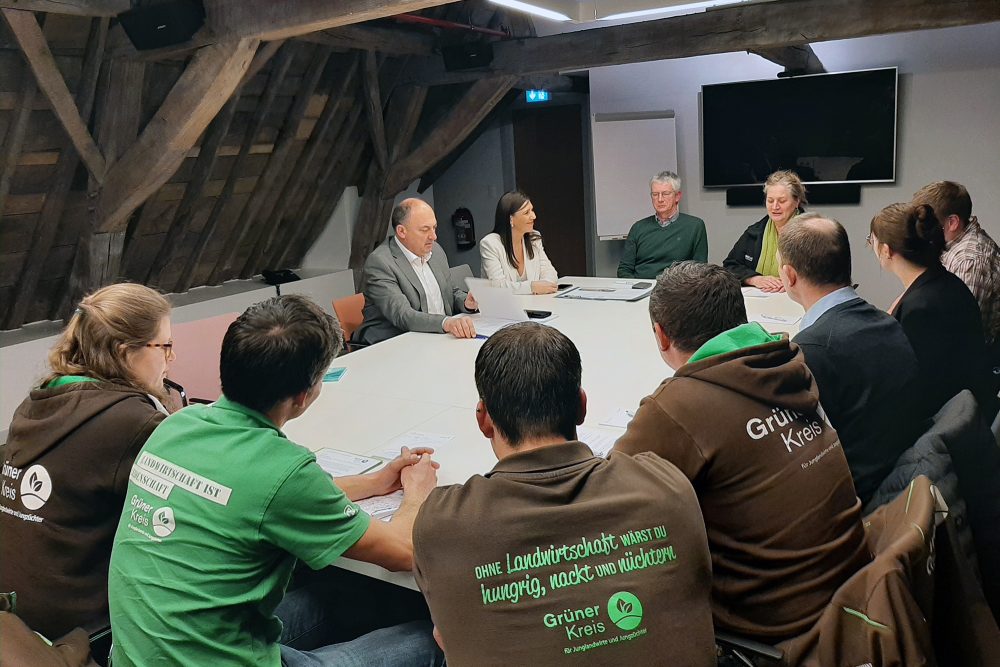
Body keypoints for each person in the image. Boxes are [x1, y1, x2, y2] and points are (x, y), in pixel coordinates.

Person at [108, 295, 443, 667]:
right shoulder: (284, 470)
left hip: (139, 655)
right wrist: (417, 494)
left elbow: (256, 496)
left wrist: (376, 482)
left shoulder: (176, 426)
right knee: (432, 639)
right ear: (304, 395)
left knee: (337, 595)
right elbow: (404, 553)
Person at [412, 322, 715, 666]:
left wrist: (414, 494)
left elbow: (447, 634)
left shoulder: (444, 523)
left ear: (484, 419)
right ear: (581, 406)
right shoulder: (665, 486)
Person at [612, 262, 868, 643]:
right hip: (853, 586)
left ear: (661, 336)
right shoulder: (787, 362)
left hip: (776, 626)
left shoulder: (678, 405)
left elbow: (609, 499)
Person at [0, 283, 173, 640]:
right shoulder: (133, 422)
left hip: (20, 619)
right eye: (165, 346)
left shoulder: (37, 402)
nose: (171, 359)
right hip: (85, 631)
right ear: (125, 352)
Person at [777, 213, 922, 505]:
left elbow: (791, 453)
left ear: (789, 276)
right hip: (898, 482)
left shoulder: (812, 349)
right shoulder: (886, 321)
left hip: (848, 502)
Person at [869, 202, 997, 418]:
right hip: (967, 412)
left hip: (947, 427)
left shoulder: (921, 308)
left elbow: (920, 389)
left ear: (885, 250)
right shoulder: (946, 282)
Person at [354, 198, 478, 345]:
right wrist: (446, 323)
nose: (433, 236)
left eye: (434, 228)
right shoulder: (380, 263)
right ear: (401, 231)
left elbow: (450, 291)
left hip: (437, 338)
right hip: (393, 343)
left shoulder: (436, 251)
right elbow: (403, 315)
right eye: (425, 230)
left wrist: (466, 302)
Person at [911, 180, 1000, 376]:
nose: (920, 231)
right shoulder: (952, 246)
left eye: (927, 224)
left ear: (952, 222)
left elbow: (958, 332)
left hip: (968, 373)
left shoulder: (969, 260)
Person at [723, 169, 806, 292]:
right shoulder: (754, 232)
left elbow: (824, 274)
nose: (775, 207)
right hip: (761, 300)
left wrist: (793, 284)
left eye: (782, 201)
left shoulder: (812, 232)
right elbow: (730, 266)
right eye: (770, 201)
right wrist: (754, 279)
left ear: (796, 202)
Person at [617, 171, 708, 278]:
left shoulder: (695, 226)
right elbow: (624, 269)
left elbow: (700, 269)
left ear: (677, 196)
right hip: (641, 287)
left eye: (665, 194)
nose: (660, 199)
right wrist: (635, 289)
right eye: (655, 194)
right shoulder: (638, 227)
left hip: (676, 289)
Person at [479, 190, 559, 294]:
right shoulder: (490, 244)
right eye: (526, 212)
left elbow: (550, 272)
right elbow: (498, 286)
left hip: (533, 304)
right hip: (500, 308)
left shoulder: (534, 238)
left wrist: (543, 286)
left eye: (532, 210)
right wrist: (531, 287)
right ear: (510, 219)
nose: (534, 216)